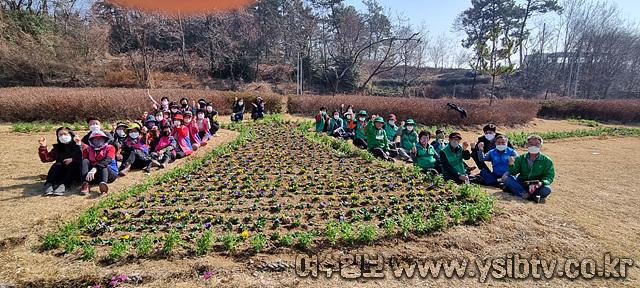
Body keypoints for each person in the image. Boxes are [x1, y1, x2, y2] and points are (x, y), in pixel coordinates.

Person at [504, 134, 555, 203]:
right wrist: (511, 164)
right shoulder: (521, 158)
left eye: (536, 144)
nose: (533, 146)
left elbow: (549, 175)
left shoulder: (547, 160)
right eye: (531, 144)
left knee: (547, 189)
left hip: (536, 184)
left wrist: (541, 183)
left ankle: (520, 192)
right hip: (522, 182)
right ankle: (528, 195)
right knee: (508, 179)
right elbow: (514, 172)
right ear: (527, 145)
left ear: (541, 146)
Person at [38, 127, 82, 196]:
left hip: (75, 172)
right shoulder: (58, 148)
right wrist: (43, 147)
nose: (63, 136)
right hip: (61, 172)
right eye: (60, 135)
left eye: (65, 134)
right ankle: (49, 183)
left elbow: (85, 157)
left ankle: (64, 185)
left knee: (73, 165)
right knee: (57, 164)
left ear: (71, 135)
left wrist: (73, 159)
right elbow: (46, 159)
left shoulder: (79, 144)